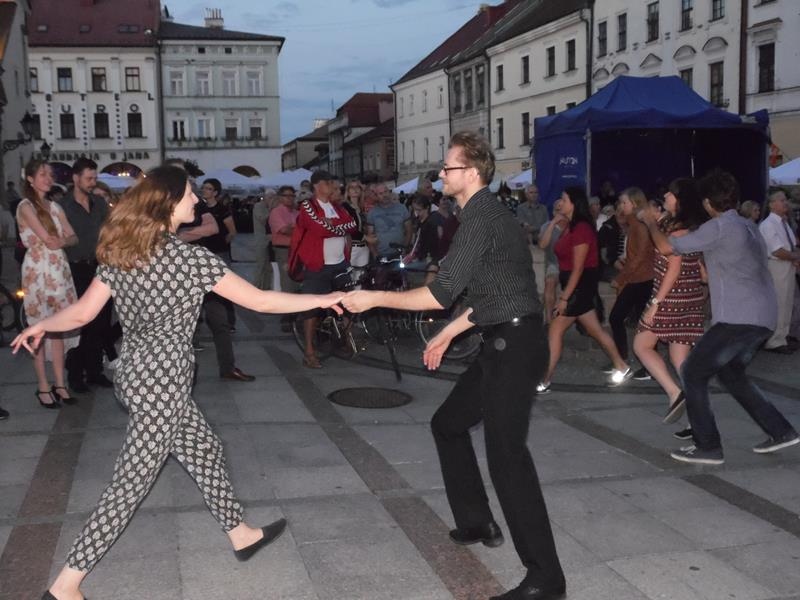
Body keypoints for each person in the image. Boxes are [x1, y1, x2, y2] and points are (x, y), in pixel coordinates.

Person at [12, 165, 344, 600]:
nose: (196, 200)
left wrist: (42, 324)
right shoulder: (190, 260)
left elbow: (83, 313)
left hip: (135, 375)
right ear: (169, 202)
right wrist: (324, 298)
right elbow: (261, 301)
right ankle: (65, 585)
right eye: (189, 193)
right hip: (163, 382)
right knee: (129, 485)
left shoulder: (124, 252)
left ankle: (240, 532)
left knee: (205, 448)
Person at [343, 132, 565, 600]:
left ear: (473, 173)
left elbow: (440, 293)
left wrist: (374, 298)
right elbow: (496, 292)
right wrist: (447, 334)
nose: (441, 173)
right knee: (448, 424)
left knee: (508, 459)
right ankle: (477, 520)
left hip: (515, 345)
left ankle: (546, 578)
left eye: (449, 167)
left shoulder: (481, 217)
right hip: (504, 337)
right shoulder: (485, 215)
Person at [640, 169, 799, 465]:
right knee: (730, 374)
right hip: (764, 316)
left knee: (692, 371)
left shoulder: (719, 227)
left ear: (708, 203)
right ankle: (781, 431)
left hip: (738, 319)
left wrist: (650, 221)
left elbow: (666, 247)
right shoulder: (748, 225)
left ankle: (708, 446)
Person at [537, 186, 631, 394]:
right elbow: (546, 246)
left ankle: (545, 379)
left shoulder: (581, 228)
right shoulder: (570, 226)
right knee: (595, 330)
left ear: (573, 203)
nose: (560, 203)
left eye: (564, 199)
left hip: (578, 287)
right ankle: (621, 366)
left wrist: (564, 298)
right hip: (576, 285)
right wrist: (554, 223)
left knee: (555, 330)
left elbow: (578, 268)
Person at [634, 178, 708, 434]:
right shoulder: (689, 227)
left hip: (672, 298)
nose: (665, 195)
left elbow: (673, 265)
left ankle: (675, 393)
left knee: (641, 345)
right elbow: (700, 270)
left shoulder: (679, 231)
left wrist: (655, 303)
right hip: (688, 296)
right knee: (680, 360)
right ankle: (698, 422)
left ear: (680, 199)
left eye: (670, 193)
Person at [16, 159, 79, 409]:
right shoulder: (25, 206)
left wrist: (63, 241)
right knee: (39, 328)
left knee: (58, 327)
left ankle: (60, 384)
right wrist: (62, 239)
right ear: (30, 179)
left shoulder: (55, 206)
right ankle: (43, 386)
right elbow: (46, 236)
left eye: (50, 174)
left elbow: (72, 237)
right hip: (38, 270)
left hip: (59, 268)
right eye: (42, 174)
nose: (48, 177)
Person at [177, 179, 254, 381]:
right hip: (177, 271)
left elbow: (212, 228)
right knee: (180, 323)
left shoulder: (198, 206)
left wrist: (181, 234)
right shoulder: (158, 207)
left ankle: (228, 367)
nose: (196, 195)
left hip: (203, 266)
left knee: (219, 320)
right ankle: (179, 372)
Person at [293, 170, 356, 368]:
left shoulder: (337, 207)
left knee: (348, 304)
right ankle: (309, 351)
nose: (332, 186)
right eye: (328, 183)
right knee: (311, 310)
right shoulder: (308, 206)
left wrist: (332, 224)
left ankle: (345, 340)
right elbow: (318, 228)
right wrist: (337, 227)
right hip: (317, 266)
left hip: (340, 264)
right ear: (317, 186)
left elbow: (352, 225)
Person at [61, 158, 114, 392]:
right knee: (80, 322)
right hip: (75, 269)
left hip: (100, 267)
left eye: (95, 178)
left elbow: (111, 230)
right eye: (89, 178)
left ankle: (94, 371)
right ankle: (75, 375)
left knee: (100, 322)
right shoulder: (62, 206)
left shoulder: (99, 203)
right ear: (76, 178)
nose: (93, 182)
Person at [608, 187, 655, 377]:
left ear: (634, 203)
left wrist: (621, 278)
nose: (621, 206)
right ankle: (627, 361)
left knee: (619, 318)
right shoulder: (635, 224)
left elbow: (640, 256)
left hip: (641, 279)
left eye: (624, 202)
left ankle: (624, 361)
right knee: (640, 322)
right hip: (640, 278)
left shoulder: (639, 225)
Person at [759, 189, 799, 354]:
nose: (785, 203)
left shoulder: (783, 222)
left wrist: (794, 257)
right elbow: (777, 251)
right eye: (781, 200)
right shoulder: (768, 225)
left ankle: (782, 336)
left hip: (786, 265)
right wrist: (795, 256)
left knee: (787, 303)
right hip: (777, 266)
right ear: (772, 204)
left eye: (785, 200)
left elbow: (790, 246)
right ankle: (774, 340)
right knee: (780, 303)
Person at [199, 178, 237, 329]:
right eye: (204, 187)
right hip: (204, 251)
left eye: (208, 188)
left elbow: (232, 231)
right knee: (203, 287)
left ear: (215, 192)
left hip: (220, 252)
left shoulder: (222, 209)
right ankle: (202, 319)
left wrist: (223, 243)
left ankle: (230, 321)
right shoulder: (200, 208)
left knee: (225, 286)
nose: (204, 190)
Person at [538, 198, 567, 324]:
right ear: (554, 212)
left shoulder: (574, 226)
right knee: (549, 282)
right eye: (557, 209)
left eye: (563, 208)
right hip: (554, 264)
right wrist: (553, 223)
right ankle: (549, 321)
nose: (561, 211)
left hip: (572, 265)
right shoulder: (547, 226)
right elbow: (542, 245)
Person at [365, 183, 412, 259]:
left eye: (385, 191)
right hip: (381, 254)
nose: (384, 195)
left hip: (400, 253)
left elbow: (409, 230)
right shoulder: (372, 212)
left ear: (389, 192)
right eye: (380, 193)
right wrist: (375, 254)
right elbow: (370, 236)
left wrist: (404, 248)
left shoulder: (402, 208)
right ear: (376, 196)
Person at [269, 185, 299, 294]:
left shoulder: (297, 212)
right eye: (286, 196)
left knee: (297, 280)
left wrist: (292, 227)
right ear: (280, 197)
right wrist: (296, 229)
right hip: (283, 250)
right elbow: (284, 230)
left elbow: (305, 229)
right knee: (287, 280)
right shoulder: (276, 212)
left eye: (292, 196)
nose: (290, 198)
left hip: (297, 250)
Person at [251, 188, 276, 290]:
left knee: (269, 267)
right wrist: (271, 209)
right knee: (260, 266)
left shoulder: (273, 207)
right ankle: (255, 288)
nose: (271, 200)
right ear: (265, 197)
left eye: (273, 198)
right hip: (261, 241)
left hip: (270, 240)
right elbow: (263, 219)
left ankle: (266, 287)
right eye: (270, 197)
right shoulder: (258, 206)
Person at [342, 180, 369, 268]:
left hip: (364, 247)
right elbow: (348, 228)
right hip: (351, 247)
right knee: (350, 273)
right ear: (348, 191)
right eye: (352, 187)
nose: (355, 189)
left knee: (363, 273)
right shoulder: (344, 207)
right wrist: (366, 237)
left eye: (357, 187)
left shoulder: (361, 207)